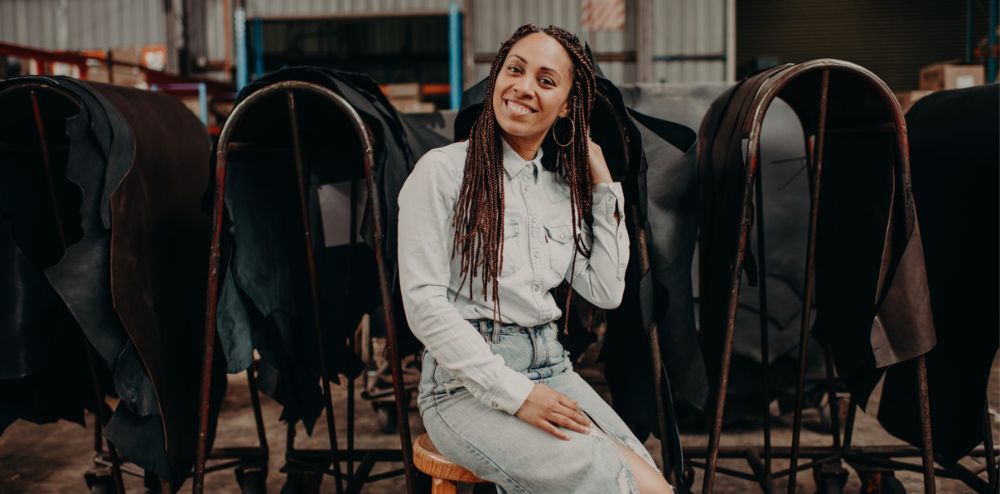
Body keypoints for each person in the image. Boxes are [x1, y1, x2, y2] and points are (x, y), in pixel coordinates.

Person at [397, 24, 673, 493]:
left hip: (552, 367)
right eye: (515, 70)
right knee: (605, 479)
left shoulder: (558, 190)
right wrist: (519, 395)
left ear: (566, 104)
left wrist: (604, 185)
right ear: (497, 77)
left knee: (651, 482)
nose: (524, 87)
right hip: (462, 386)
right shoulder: (442, 172)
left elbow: (606, 290)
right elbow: (424, 306)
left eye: (546, 80)